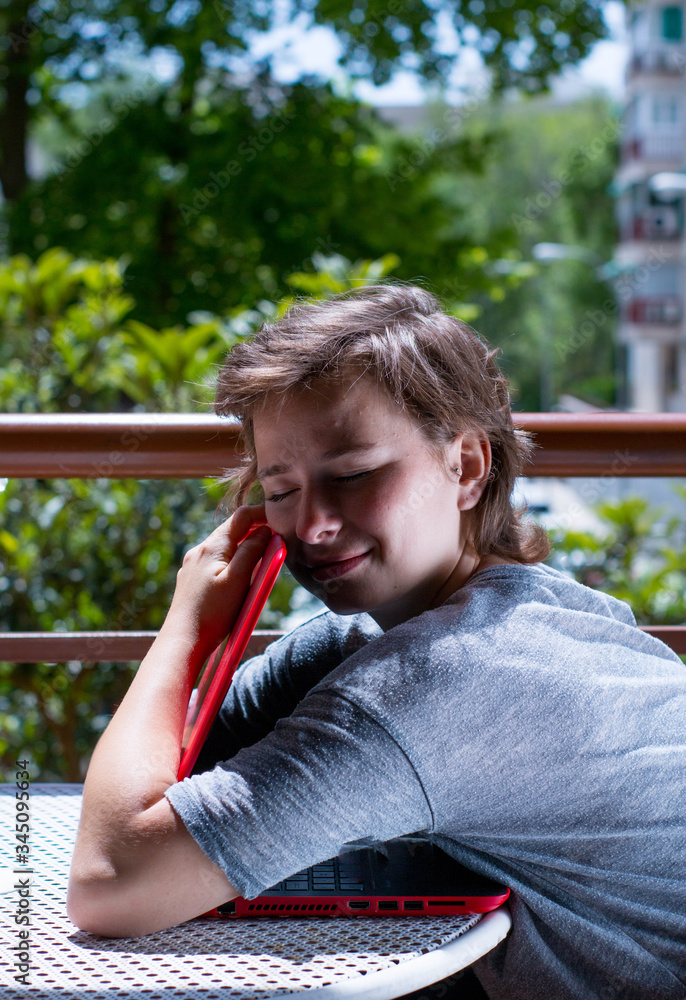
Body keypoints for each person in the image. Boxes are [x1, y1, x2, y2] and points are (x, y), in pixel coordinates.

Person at [67, 284, 686, 1000]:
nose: (312, 525)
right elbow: (155, 784)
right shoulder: (420, 633)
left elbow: (111, 883)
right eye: (280, 490)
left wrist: (186, 628)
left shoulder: (445, 679)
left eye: (353, 475)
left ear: (467, 466)